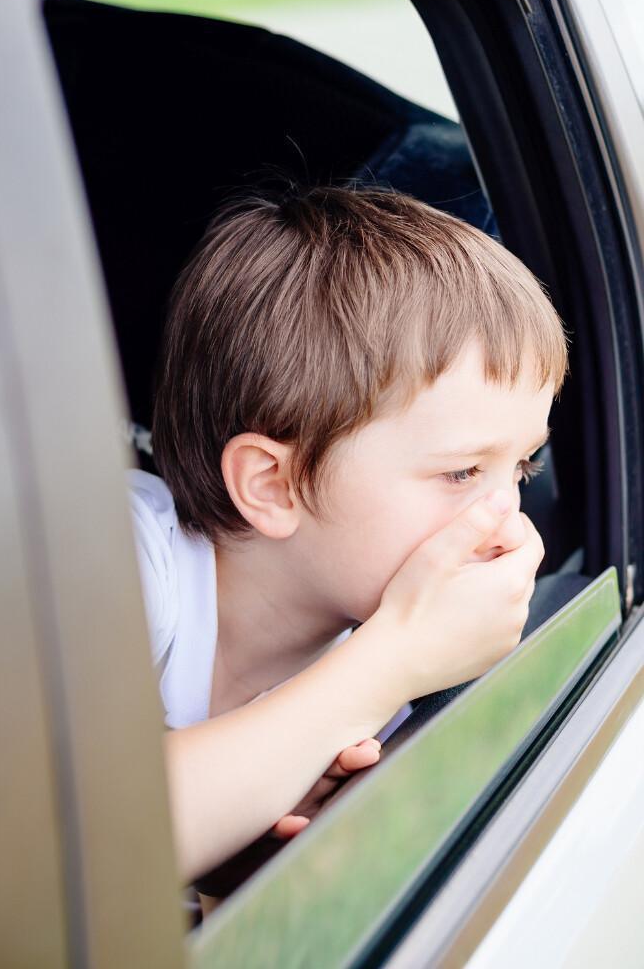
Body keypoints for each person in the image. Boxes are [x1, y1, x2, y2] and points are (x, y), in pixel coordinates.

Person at [130, 184, 565, 885]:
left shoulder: (381, 686)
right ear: (275, 484)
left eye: (522, 466)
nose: (509, 523)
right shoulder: (123, 566)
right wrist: (393, 660)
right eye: (460, 473)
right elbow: (63, 853)